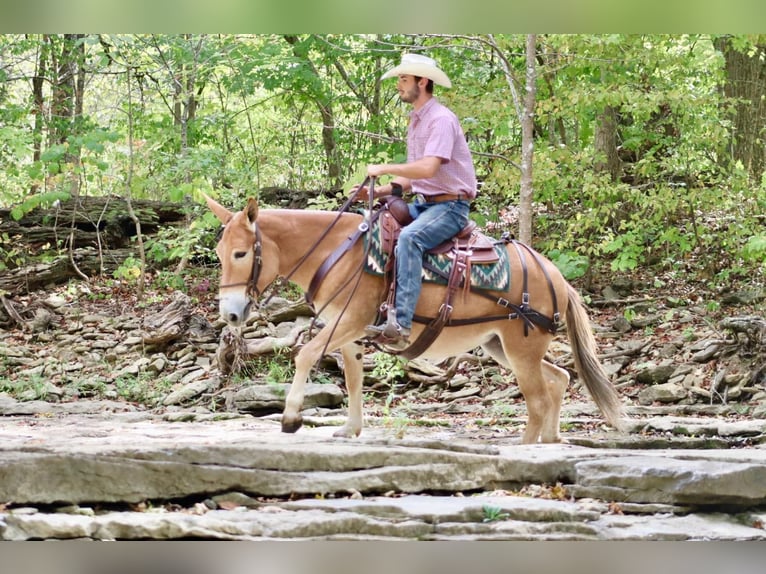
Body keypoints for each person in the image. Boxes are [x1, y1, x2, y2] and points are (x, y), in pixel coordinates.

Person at [354, 52, 478, 347]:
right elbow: (413, 177)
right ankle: (372, 305)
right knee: (376, 223)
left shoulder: (441, 120)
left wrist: (384, 167)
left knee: (410, 238)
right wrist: (380, 191)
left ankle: (402, 324)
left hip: (450, 207)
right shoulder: (416, 121)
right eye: (399, 78)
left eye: (404, 79)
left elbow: (428, 167)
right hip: (426, 203)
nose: (399, 84)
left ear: (423, 82)